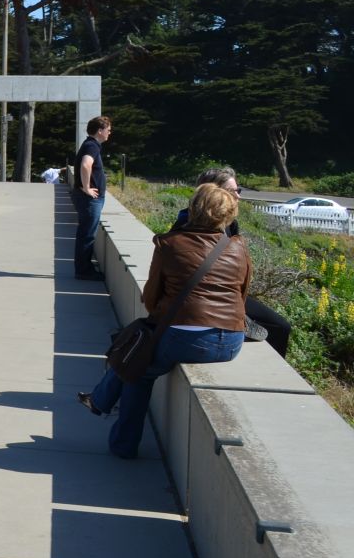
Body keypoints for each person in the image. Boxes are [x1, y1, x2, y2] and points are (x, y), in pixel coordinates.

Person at [78, 183, 249, 459]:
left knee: (137, 370)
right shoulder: (238, 247)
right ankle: (98, 400)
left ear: (192, 209)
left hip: (186, 340)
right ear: (227, 215)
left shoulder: (170, 244)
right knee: (139, 360)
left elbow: (150, 299)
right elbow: (241, 296)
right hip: (231, 340)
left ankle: (122, 442)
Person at [172, 166, 292, 358]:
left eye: (238, 191)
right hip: (204, 301)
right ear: (213, 193)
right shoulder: (186, 225)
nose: (238, 196)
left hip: (225, 295)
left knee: (280, 327)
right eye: (232, 191)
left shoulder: (230, 225)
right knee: (277, 327)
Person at [71, 116, 113, 280]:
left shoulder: (90, 144)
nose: (110, 132)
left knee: (85, 233)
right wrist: (87, 187)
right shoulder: (92, 145)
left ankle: (83, 267)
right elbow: (85, 164)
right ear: (100, 130)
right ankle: (83, 270)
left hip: (88, 198)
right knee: (87, 234)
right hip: (89, 199)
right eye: (108, 129)